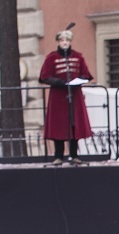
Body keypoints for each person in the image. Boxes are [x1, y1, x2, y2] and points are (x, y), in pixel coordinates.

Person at [38, 29, 92, 164]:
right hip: (58, 97)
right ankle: (58, 156)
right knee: (58, 126)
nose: (65, 43)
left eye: (67, 40)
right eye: (62, 40)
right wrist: (59, 82)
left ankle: (74, 155)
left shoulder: (78, 57)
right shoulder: (51, 58)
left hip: (75, 96)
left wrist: (79, 80)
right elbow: (44, 77)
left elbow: (86, 74)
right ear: (58, 42)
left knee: (74, 125)